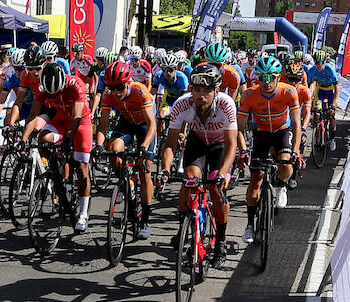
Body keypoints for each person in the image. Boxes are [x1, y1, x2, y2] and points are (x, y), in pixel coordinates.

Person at [165, 63, 238, 264]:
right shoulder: (182, 104)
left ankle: (220, 241)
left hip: (219, 146)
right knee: (189, 179)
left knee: (215, 187)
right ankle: (185, 226)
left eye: (207, 91)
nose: (201, 95)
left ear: (217, 91)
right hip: (197, 142)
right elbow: (170, 144)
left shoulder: (226, 104)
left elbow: (232, 145)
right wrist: (164, 169)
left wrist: (223, 173)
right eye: (197, 90)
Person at [22, 59, 94, 232]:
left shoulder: (76, 84)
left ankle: (83, 213)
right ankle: (57, 171)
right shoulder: (42, 88)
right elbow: (33, 114)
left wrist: (69, 138)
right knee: (43, 138)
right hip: (61, 119)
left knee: (82, 167)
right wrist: (23, 141)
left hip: (80, 122)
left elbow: (76, 117)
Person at [238, 55, 302, 242]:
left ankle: (281, 186)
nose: (266, 82)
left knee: (286, 166)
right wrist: (243, 150)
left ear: (278, 77)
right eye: (262, 78)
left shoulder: (289, 91)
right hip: (261, 134)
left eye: (271, 77)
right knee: (255, 180)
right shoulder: (249, 95)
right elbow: (240, 128)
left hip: (282, 131)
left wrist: (296, 151)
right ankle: (250, 225)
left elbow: (297, 125)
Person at [93, 59, 158, 239]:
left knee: (145, 170)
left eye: (120, 87)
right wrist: (98, 146)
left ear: (128, 82)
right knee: (113, 149)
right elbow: (103, 125)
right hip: (127, 123)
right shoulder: (108, 94)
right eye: (112, 87)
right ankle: (125, 183)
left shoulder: (140, 90)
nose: (116, 92)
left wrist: (144, 147)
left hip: (145, 125)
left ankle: (145, 218)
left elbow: (152, 124)